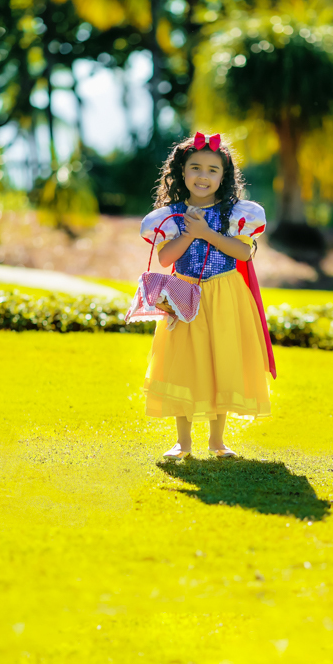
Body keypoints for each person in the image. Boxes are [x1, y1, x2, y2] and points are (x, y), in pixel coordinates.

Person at [140, 132, 273, 459]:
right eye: (195, 168)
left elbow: (243, 253)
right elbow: (166, 259)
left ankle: (217, 440)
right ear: (182, 172)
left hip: (226, 294)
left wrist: (207, 232)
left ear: (223, 176)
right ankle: (182, 442)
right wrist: (190, 233)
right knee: (184, 362)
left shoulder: (235, 213)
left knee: (221, 359)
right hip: (183, 294)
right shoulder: (170, 216)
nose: (203, 176)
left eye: (212, 170)